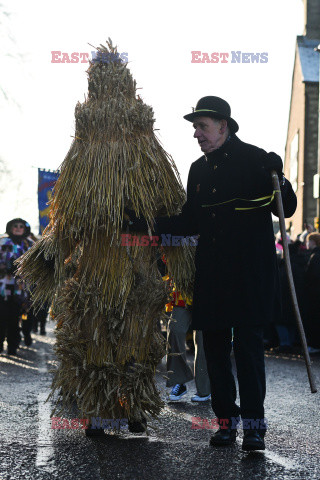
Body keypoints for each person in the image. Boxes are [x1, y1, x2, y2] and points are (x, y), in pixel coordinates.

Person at [126, 96, 297, 451]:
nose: (196, 134)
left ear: (224, 126)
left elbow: (288, 209)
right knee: (215, 354)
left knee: (248, 353)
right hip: (214, 276)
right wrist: (145, 224)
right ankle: (225, 423)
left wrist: (280, 178)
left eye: (202, 127)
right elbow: (190, 222)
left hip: (251, 276)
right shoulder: (198, 170)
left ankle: (253, 428)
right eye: (194, 128)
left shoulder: (256, 159)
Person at [165, 287, 211, 402]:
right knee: (175, 331)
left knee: (202, 338)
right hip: (182, 291)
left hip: (205, 291)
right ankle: (178, 380)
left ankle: (204, 388)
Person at [0, 218, 34, 354]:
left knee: (15, 319)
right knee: (1, 317)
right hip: (2, 288)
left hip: (21, 290)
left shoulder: (30, 245)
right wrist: (4, 267)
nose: (18, 228)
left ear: (25, 229)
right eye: (15, 226)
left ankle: (13, 345)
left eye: (21, 226)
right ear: (10, 228)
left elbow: (36, 266)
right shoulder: (2, 242)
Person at [304, 232, 320, 353]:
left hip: (314, 294)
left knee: (314, 320)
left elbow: (312, 276)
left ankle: (314, 345)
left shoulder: (315, 256)